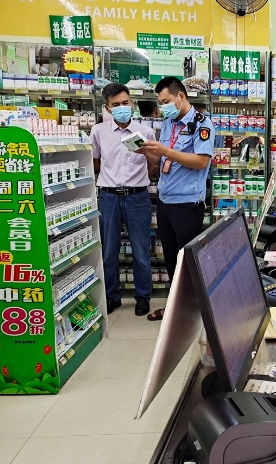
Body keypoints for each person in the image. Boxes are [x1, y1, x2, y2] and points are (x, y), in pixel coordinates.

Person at [137, 76, 214, 321]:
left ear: (181, 96)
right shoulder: (169, 123)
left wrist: (166, 151)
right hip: (166, 201)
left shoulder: (203, 124)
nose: (163, 107)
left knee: (188, 260)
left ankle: (194, 311)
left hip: (188, 203)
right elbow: (161, 163)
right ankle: (174, 310)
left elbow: (201, 161)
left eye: (166, 101)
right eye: (160, 103)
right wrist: (147, 153)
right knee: (171, 257)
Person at [91, 83, 155, 316]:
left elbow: (153, 163)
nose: (121, 108)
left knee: (140, 250)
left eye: (125, 103)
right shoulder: (99, 131)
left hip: (137, 197)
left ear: (132, 103)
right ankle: (112, 296)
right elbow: (95, 161)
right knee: (109, 250)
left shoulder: (145, 132)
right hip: (108, 197)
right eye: (115, 105)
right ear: (107, 108)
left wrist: (138, 177)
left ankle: (143, 297)